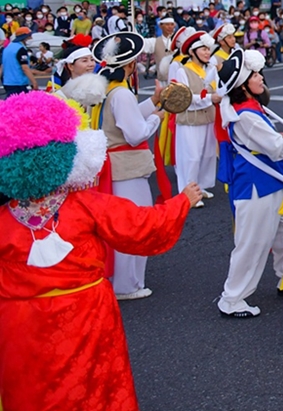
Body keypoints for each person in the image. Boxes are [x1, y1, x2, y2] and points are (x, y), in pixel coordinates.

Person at [0, 90, 202, 411]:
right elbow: (141, 227)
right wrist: (181, 202)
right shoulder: (83, 204)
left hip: (19, 321)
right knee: (93, 386)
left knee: (31, 388)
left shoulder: (5, 217)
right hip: (85, 315)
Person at [216, 48, 283, 318]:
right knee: (252, 245)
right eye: (255, 75)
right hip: (256, 186)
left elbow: (266, 141)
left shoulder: (249, 108)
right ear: (243, 84)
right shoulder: (247, 115)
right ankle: (232, 299)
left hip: (267, 182)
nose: (261, 77)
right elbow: (274, 148)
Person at [90, 31, 172, 300]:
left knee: (120, 225)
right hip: (126, 167)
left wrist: (153, 102)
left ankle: (122, 280)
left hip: (114, 166)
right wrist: (157, 117)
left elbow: (127, 118)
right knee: (134, 226)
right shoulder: (121, 94)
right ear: (129, 65)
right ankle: (128, 285)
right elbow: (135, 133)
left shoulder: (108, 90)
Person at [175, 30, 221, 205]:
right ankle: (188, 192)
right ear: (192, 52)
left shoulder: (209, 70)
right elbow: (185, 98)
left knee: (207, 154)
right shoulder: (183, 71)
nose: (208, 53)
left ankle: (200, 186)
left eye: (208, 50)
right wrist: (211, 98)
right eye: (203, 49)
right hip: (190, 120)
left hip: (208, 117)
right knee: (191, 156)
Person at [2, 27, 38, 95]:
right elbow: (25, 68)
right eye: (30, 36)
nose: (31, 38)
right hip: (18, 82)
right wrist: (34, 82)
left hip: (7, 81)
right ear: (25, 37)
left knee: (11, 102)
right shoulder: (20, 49)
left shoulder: (7, 48)